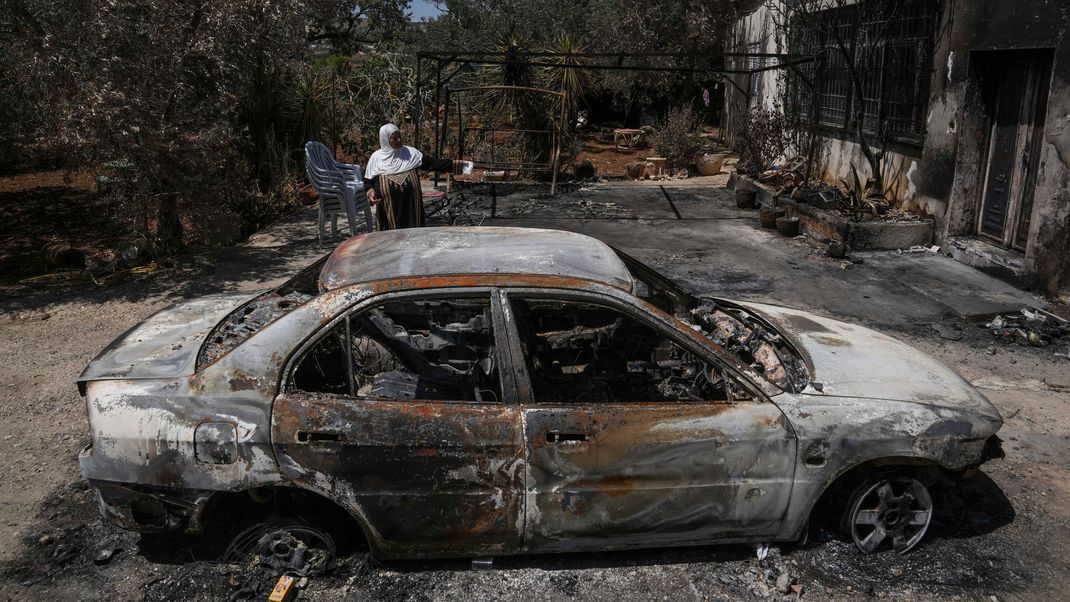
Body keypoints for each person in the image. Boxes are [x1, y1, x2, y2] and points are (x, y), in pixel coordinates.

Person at [364, 123, 473, 230]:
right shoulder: (376, 158)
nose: (399, 140)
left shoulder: (411, 154)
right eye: (394, 138)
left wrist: (459, 165)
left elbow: (432, 163)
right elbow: (368, 181)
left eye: (399, 137)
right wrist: (370, 192)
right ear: (385, 139)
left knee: (414, 237)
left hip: (412, 209)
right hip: (388, 214)